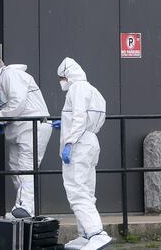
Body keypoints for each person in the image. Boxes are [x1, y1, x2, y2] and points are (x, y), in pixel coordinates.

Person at [0, 59, 53, 218]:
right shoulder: (3, 80)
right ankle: (22, 206)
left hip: (31, 127)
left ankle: (26, 207)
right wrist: (1, 122)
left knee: (26, 167)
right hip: (21, 129)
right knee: (15, 168)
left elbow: (17, 103)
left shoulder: (11, 75)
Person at [57, 57, 112, 250]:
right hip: (91, 140)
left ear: (68, 75)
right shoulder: (93, 90)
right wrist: (65, 123)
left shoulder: (76, 88)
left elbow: (79, 117)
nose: (61, 82)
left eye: (62, 78)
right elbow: (88, 117)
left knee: (77, 190)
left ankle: (96, 233)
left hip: (79, 144)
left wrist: (69, 142)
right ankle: (86, 234)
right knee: (87, 190)